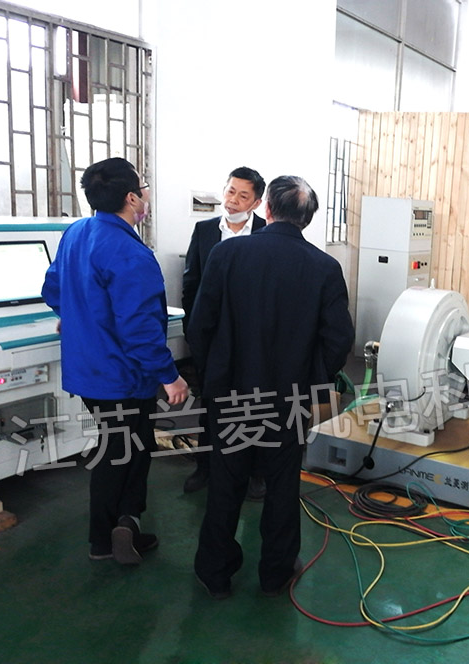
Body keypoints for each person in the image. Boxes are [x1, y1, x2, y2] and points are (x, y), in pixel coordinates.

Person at [187, 175, 354, 599]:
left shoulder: (227, 254)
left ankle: (214, 572)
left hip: (231, 394)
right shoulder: (324, 268)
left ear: (266, 209)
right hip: (290, 399)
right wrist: (313, 381)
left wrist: (212, 378)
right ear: (307, 218)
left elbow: (200, 325)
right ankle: (276, 572)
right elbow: (338, 340)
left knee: (225, 483)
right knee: (282, 485)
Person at [41, 157, 189, 565]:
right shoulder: (131, 253)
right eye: (142, 187)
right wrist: (170, 376)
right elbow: (140, 329)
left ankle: (127, 523)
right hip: (123, 376)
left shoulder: (76, 233)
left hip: (87, 370)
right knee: (120, 451)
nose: (146, 194)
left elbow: (53, 288)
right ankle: (105, 538)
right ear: (131, 198)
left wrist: (74, 315)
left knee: (129, 445)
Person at [181, 166, 266, 498]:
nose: (233, 200)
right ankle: (205, 467)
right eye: (230, 191)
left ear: (256, 202)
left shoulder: (265, 233)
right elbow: (191, 284)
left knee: (255, 402)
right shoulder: (204, 230)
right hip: (212, 337)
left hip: (252, 337)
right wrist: (194, 332)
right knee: (211, 403)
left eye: (243, 195)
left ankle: (255, 472)